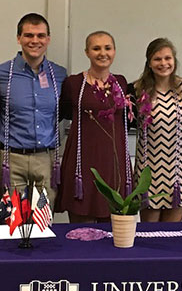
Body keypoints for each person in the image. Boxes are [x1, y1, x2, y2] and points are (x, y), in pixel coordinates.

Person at [0, 13, 66, 207]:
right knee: (13, 221)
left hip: (46, 158)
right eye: (29, 35)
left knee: (44, 220)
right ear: (19, 38)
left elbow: (62, 112)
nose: (35, 41)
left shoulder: (59, 75)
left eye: (40, 36)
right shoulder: (1, 73)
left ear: (48, 39)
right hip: (12, 158)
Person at [56, 31, 132, 223]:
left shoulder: (121, 83)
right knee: (81, 231)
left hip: (113, 163)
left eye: (107, 48)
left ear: (114, 51)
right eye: (96, 48)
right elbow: (61, 113)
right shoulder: (73, 83)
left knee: (113, 231)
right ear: (87, 52)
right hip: (82, 163)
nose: (102, 53)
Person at [129, 38, 182, 222]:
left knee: (172, 236)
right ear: (149, 62)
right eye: (157, 59)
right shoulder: (137, 89)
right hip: (148, 173)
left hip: (178, 173)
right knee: (150, 235)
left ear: (174, 60)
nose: (163, 63)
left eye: (167, 58)